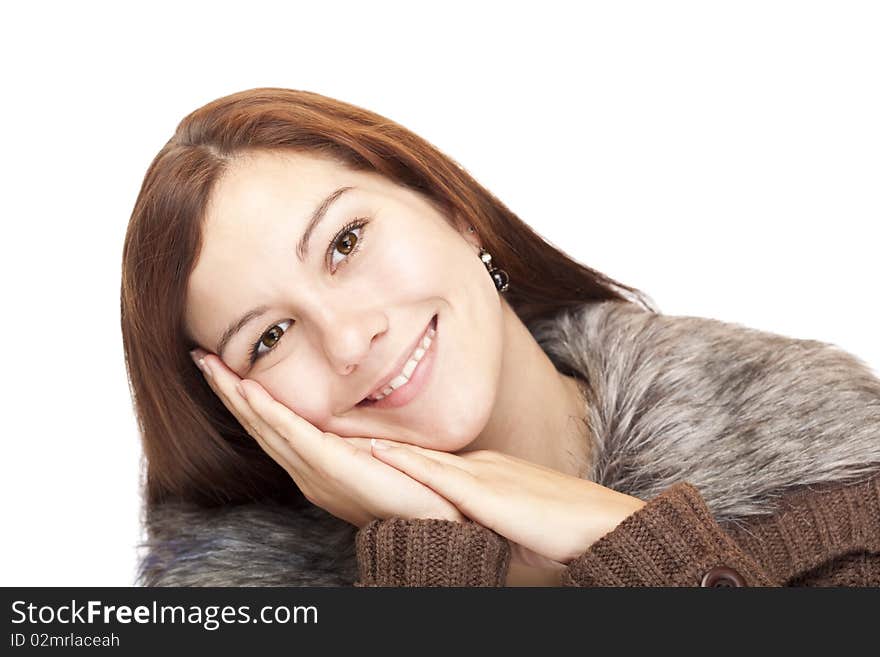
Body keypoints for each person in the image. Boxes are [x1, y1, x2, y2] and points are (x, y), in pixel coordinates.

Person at [123, 87, 880, 587]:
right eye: (273, 334)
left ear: (451, 207)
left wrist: (631, 543)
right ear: (238, 403)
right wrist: (431, 551)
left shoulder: (822, 458)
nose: (350, 338)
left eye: (346, 242)